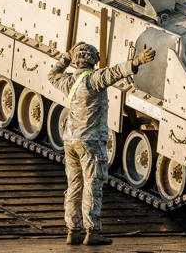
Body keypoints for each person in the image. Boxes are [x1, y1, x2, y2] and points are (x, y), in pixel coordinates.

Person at [48, 42, 156, 245]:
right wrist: (137, 61)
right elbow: (115, 72)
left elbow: (52, 75)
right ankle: (92, 232)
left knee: (74, 186)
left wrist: (66, 57)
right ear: (93, 60)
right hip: (91, 142)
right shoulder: (93, 79)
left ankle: (72, 231)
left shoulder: (69, 82)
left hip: (70, 140)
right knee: (92, 185)